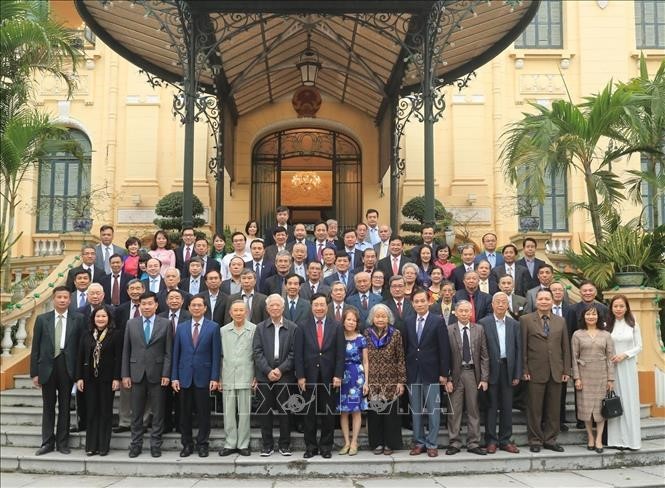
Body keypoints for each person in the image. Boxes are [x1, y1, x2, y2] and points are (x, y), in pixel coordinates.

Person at [30, 287, 85, 455]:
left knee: (65, 405)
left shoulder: (79, 319)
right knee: (48, 405)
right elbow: (35, 347)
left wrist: (79, 373)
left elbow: (81, 348)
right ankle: (47, 442)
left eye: (65, 297)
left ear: (70, 300)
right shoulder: (42, 319)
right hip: (47, 366)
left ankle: (62, 442)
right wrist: (34, 373)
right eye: (59, 297)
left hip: (67, 365)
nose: (62, 300)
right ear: (53, 299)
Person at [121, 291, 172, 458]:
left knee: (158, 412)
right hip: (136, 374)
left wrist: (166, 373)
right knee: (136, 412)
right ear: (139, 306)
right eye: (144, 304)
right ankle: (135, 444)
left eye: (150, 303)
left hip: (158, 374)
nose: (147, 307)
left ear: (156, 305)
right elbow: (126, 351)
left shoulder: (166, 323)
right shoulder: (131, 323)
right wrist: (125, 375)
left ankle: (155, 444)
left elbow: (168, 352)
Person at [295, 293, 345, 459]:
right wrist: (300, 376)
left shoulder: (336, 326)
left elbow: (340, 354)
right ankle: (310, 446)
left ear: (327, 306)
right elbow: (298, 354)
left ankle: (326, 447)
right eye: (316, 305)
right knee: (309, 413)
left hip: (329, 377)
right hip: (308, 377)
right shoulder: (302, 326)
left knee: (328, 414)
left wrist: (338, 375)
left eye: (322, 304)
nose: (319, 308)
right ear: (311, 306)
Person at [520, 289, 571, 453]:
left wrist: (566, 370)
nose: (544, 301)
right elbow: (523, 347)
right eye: (540, 299)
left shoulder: (560, 321)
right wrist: (524, 368)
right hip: (535, 371)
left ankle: (550, 439)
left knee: (554, 409)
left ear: (552, 301)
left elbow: (565, 348)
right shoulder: (526, 320)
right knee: (535, 409)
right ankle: (535, 440)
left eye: (547, 299)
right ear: (536, 301)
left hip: (556, 370)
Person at [171, 296, 221, 458]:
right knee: (184, 413)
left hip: (204, 377)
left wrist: (215, 377)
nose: (197, 308)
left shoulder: (213, 327)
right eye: (193, 305)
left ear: (205, 308)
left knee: (203, 413)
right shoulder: (181, 327)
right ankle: (187, 444)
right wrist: (174, 377)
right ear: (189, 308)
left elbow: (215, 355)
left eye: (200, 305)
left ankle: (202, 444)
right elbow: (176, 354)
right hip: (184, 376)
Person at [404, 288, 450, 458]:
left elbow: (444, 349)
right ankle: (419, 442)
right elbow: (407, 347)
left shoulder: (437, 321)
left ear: (429, 301)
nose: (420, 304)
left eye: (422, 301)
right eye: (416, 301)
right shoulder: (408, 321)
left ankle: (432, 443)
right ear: (412, 304)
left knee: (433, 409)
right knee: (415, 410)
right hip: (413, 372)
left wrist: (444, 373)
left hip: (432, 372)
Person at [253, 294, 298, 457]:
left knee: (285, 411)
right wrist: (267, 370)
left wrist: (280, 370)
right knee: (265, 411)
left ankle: (285, 445)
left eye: (277, 305)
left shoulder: (292, 327)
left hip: (285, 375)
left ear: (283, 308)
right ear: (267, 309)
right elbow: (257, 352)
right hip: (265, 375)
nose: (274, 308)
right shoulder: (260, 328)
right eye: (271, 306)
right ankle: (267, 445)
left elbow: (294, 353)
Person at [76, 306, 122, 456]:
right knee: (91, 411)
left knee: (105, 412)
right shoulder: (87, 335)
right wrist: (79, 378)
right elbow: (80, 357)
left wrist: (117, 378)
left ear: (109, 318)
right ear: (93, 318)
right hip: (89, 379)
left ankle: (103, 446)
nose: (100, 319)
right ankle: (91, 446)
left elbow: (118, 358)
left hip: (107, 380)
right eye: (97, 316)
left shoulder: (115, 335)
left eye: (103, 316)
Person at [445, 300, 489, 456]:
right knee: (454, 410)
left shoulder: (479, 329)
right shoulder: (449, 330)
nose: (464, 313)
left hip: (472, 374)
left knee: (473, 409)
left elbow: (484, 356)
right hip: (455, 374)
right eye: (461, 311)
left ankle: (473, 442)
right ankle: (454, 442)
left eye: (467, 311)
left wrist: (484, 378)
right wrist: (448, 378)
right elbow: (446, 356)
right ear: (456, 313)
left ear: (471, 313)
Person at [479, 292, 522, 454]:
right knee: (491, 407)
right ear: (492, 304)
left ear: (508, 305)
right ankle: (490, 440)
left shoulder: (514, 324)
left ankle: (505, 440)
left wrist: (517, 374)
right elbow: (480, 351)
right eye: (498, 302)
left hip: (508, 369)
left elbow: (518, 350)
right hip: (490, 370)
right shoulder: (483, 323)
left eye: (504, 302)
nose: (501, 305)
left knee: (507, 407)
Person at [572, 304, 615, 454]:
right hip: (584, 374)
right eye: (588, 315)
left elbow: (610, 358)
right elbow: (574, 357)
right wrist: (576, 378)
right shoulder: (577, 334)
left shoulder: (606, 335)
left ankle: (599, 439)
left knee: (599, 409)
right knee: (586, 409)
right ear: (583, 317)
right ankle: (590, 436)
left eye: (594, 314)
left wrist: (611, 379)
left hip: (601, 375)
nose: (591, 317)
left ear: (598, 317)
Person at [364, 303, 406, 455]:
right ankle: (376, 443)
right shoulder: (367, 334)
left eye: (383, 316)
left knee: (390, 415)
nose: (380, 319)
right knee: (375, 414)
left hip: (391, 380)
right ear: (372, 318)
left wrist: (401, 381)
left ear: (388, 318)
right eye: (377, 316)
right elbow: (364, 360)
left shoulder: (395, 334)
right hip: (374, 380)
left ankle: (390, 444)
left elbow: (400, 358)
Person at [219, 300, 256, 457]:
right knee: (228, 413)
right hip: (227, 375)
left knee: (244, 413)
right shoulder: (223, 331)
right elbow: (219, 356)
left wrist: (255, 376)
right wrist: (219, 377)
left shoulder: (254, 329)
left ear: (246, 312)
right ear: (230, 313)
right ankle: (230, 443)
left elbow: (257, 354)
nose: (239, 313)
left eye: (242, 310)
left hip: (246, 375)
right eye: (236, 310)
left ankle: (243, 444)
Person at [606, 295, 642, 450]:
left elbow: (639, 346)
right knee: (615, 400)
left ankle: (631, 441)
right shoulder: (608, 325)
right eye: (615, 306)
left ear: (626, 307)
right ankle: (615, 440)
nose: (618, 309)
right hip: (612, 367)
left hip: (627, 366)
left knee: (629, 401)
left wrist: (625, 354)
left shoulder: (633, 324)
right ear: (611, 308)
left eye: (621, 306)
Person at [338, 307, 369, 456]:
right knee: (343, 411)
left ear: (357, 323)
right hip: (341, 376)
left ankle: (355, 442)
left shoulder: (361, 338)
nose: (351, 322)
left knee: (356, 410)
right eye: (348, 319)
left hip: (357, 376)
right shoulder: (338, 337)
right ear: (343, 321)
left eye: (353, 320)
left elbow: (366, 361)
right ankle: (346, 442)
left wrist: (367, 382)